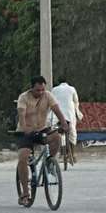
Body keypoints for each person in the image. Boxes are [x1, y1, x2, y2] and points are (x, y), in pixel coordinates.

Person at [16, 76, 70, 205]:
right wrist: (25, 128)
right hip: (26, 131)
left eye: (42, 90)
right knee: (23, 158)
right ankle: (25, 194)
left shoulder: (48, 95)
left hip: (42, 129)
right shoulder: (23, 97)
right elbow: (21, 115)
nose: (40, 92)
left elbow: (57, 110)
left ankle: (50, 163)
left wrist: (64, 124)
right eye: (37, 90)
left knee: (56, 137)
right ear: (31, 88)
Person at [50, 79, 83, 162]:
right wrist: (78, 114)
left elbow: (50, 101)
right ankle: (73, 154)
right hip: (69, 113)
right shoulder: (72, 89)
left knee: (53, 130)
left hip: (57, 113)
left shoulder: (54, 89)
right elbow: (76, 102)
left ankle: (57, 153)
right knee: (72, 132)